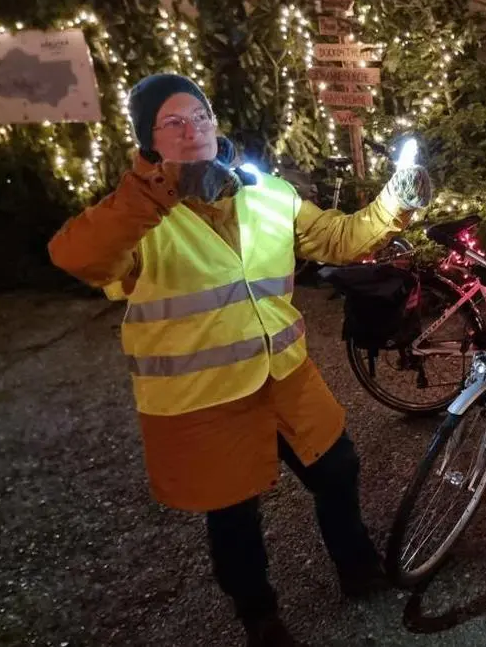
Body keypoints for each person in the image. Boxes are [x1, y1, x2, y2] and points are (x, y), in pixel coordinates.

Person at [48, 73, 433, 647]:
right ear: (148, 139)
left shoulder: (263, 191)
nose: (193, 129)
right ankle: (259, 617)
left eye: (200, 116)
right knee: (233, 512)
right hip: (206, 396)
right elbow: (76, 256)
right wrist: (160, 190)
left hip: (285, 374)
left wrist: (395, 200)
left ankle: (356, 566)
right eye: (173, 122)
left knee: (338, 468)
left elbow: (336, 238)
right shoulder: (137, 217)